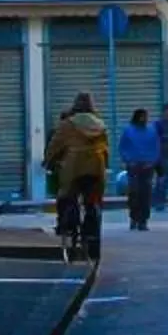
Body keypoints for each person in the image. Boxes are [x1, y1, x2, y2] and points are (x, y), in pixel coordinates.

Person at [44, 94, 109, 255]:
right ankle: (92, 228)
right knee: (93, 200)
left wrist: (48, 160)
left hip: (74, 167)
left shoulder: (68, 124)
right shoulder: (100, 124)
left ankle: (67, 225)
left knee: (67, 195)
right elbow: (105, 147)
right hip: (96, 166)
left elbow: (55, 145)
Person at [118, 106, 161, 230]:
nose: (144, 119)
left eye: (145, 116)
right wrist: (128, 160)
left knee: (146, 193)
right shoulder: (128, 130)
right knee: (134, 192)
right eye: (142, 116)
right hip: (133, 166)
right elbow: (122, 147)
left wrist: (152, 162)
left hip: (147, 167)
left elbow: (156, 147)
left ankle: (143, 220)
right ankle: (134, 218)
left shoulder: (152, 130)